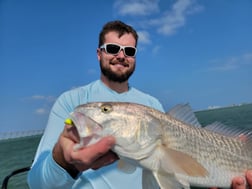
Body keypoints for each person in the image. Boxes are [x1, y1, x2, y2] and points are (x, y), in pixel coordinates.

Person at [28, 20, 252, 189]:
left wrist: (233, 150)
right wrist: (64, 160)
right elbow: (36, 183)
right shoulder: (73, 103)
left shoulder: (152, 104)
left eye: (130, 51)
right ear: (99, 54)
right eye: (113, 49)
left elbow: (172, 170)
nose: (121, 56)